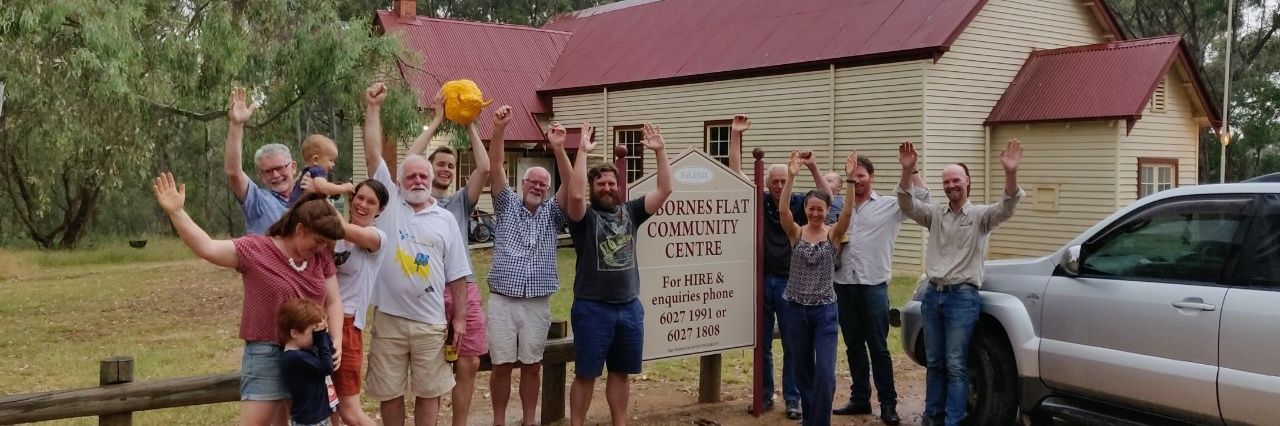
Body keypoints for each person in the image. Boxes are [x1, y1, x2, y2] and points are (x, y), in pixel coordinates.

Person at [153, 173, 344, 426]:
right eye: (317, 241)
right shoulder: (256, 249)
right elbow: (207, 247)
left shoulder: (320, 258)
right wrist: (177, 213)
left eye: (326, 244)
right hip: (267, 350)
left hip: (312, 354)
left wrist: (336, 340)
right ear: (299, 229)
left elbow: (333, 302)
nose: (321, 248)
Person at [360, 82, 471, 426]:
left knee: (429, 393)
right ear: (399, 181)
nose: (418, 180)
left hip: (431, 322)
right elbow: (372, 154)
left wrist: (460, 319)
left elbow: (458, 276)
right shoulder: (391, 202)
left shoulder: (445, 220)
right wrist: (373, 108)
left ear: (431, 179)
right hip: (389, 319)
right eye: (411, 176)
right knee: (389, 393)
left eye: (424, 175)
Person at [896, 140, 1023, 426]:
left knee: (955, 364)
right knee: (935, 363)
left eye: (956, 180)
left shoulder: (980, 217)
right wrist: (907, 171)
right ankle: (932, 418)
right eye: (946, 182)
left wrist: (1011, 173)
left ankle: (952, 421)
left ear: (967, 181)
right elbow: (906, 203)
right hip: (933, 296)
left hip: (962, 299)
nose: (951, 185)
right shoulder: (935, 215)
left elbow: (1007, 206)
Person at [566, 123, 673, 426]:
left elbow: (665, 190)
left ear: (619, 185)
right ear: (593, 188)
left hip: (629, 307)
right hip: (592, 307)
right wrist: (582, 151)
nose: (607, 188)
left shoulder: (631, 212)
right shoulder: (583, 218)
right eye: (601, 184)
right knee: (586, 374)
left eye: (612, 183)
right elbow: (575, 194)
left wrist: (660, 151)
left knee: (621, 373)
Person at [728, 114, 832, 419]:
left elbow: (827, 196)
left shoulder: (799, 204)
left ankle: (793, 398)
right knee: (761, 344)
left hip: (791, 284)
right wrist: (736, 135)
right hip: (762, 280)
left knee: (793, 344)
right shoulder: (759, 200)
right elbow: (736, 173)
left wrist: (812, 167)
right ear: (767, 183)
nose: (778, 185)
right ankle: (763, 395)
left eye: (783, 181)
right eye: (774, 181)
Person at [405, 91, 492, 426]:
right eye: (439, 164)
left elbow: (484, 167)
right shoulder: (412, 199)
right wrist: (437, 120)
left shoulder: (460, 202)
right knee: (433, 366)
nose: (444, 169)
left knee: (469, 362)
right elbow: (409, 159)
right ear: (428, 169)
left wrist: (469, 124)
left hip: (463, 289)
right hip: (426, 292)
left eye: (450, 165)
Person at [831, 145, 930, 425]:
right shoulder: (840, 207)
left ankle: (888, 403)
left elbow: (923, 198)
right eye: (853, 176)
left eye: (861, 175)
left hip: (873, 286)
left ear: (871, 177)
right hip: (844, 284)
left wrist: (910, 169)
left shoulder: (890, 205)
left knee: (878, 347)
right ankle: (860, 398)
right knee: (853, 345)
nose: (858, 180)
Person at [485, 118, 574, 426]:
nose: (537, 186)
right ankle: (499, 420)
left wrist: (558, 148)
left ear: (547, 189)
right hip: (503, 301)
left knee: (532, 366)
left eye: (542, 184)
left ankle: (528, 421)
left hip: (537, 303)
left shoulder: (553, 213)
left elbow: (570, 185)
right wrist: (499, 129)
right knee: (501, 366)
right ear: (522, 183)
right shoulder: (506, 204)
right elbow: (495, 168)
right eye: (532, 182)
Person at [777, 150, 857, 426]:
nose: (814, 213)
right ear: (805, 210)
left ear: (826, 211)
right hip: (795, 311)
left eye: (820, 209)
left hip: (824, 313)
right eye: (811, 208)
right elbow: (783, 211)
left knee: (824, 374)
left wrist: (849, 180)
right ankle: (810, 420)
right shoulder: (796, 232)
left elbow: (848, 212)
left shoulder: (834, 234)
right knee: (802, 373)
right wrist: (791, 177)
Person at [329, 179, 390, 426]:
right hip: (318, 324)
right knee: (328, 405)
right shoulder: (334, 238)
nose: (363, 205)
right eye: (360, 198)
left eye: (371, 202)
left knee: (350, 412)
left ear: (380, 210)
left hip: (347, 326)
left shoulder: (376, 237)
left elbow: (341, 228)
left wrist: (322, 193)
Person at [224, 87, 296, 234]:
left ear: (293, 167)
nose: (275, 175)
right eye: (268, 171)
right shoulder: (258, 202)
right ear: (260, 175)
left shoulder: (311, 198)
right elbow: (233, 172)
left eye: (280, 168)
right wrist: (237, 125)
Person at [277, 298, 337, 426]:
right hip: (309, 421)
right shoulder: (294, 357)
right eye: (313, 331)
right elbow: (327, 367)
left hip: (317, 418)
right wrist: (322, 337)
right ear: (294, 333)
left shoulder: (302, 353)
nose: (317, 336)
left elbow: (330, 354)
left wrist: (324, 334)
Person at [291, 134, 355, 205]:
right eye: (330, 160)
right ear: (316, 160)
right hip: (299, 208)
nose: (333, 164)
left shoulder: (305, 172)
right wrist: (344, 188)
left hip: (292, 207)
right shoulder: (317, 170)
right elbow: (325, 188)